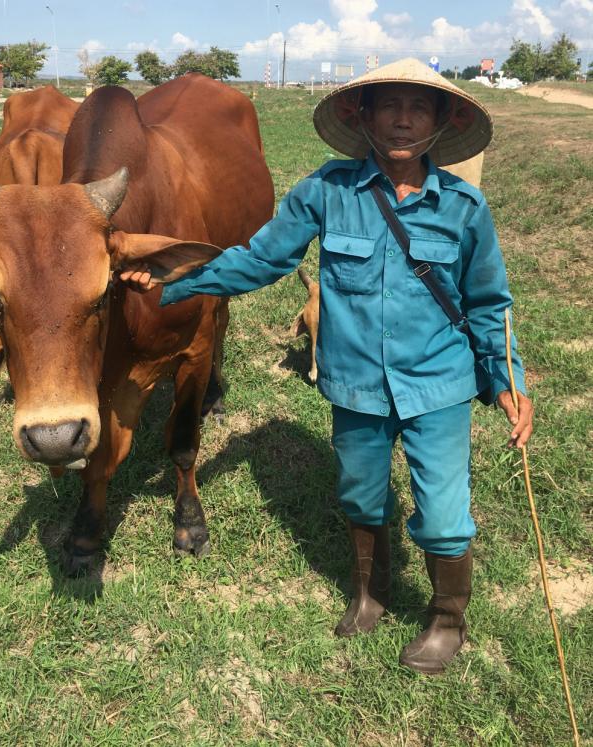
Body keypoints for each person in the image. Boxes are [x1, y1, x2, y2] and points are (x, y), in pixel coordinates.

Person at [120, 58, 533, 674]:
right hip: (357, 383)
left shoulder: (465, 209)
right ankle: (370, 591)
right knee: (362, 496)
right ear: (361, 116)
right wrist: (168, 280)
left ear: (442, 120)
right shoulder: (326, 191)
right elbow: (261, 260)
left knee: (445, 515)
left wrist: (508, 381)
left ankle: (447, 620)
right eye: (387, 105)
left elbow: (489, 303)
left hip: (440, 384)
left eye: (418, 107)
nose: (402, 119)